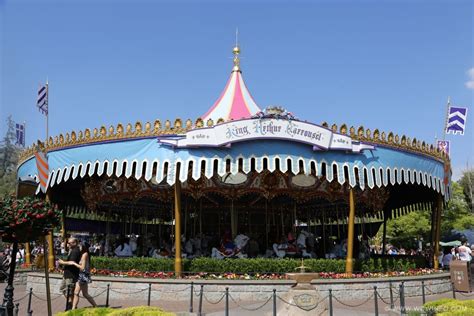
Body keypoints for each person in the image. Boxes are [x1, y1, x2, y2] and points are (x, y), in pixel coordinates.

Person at [59, 242, 97, 309]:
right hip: (80, 275)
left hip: (83, 275)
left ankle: (95, 306)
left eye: (80, 246)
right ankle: (74, 308)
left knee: (83, 294)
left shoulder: (85, 254)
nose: (79, 247)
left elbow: (82, 268)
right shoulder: (81, 254)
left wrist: (74, 264)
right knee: (78, 293)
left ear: (84, 247)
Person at [58, 237, 81, 310]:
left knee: (69, 291)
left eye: (69, 243)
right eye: (68, 243)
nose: (67, 244)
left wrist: (62, 262)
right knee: (63, 289)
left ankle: (71, 305)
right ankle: (70, 303)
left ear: (74, 243)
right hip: (67, 273)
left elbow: (72, 262)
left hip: (71, 274)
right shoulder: (71, 250)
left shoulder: (75, 251)